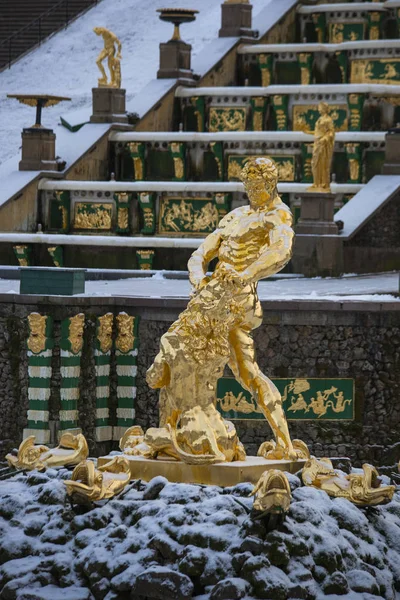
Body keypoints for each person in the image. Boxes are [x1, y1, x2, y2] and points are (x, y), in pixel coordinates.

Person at [308, 102, 335, 192]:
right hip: (317, 143)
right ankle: (316, 182)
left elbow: (331, 132)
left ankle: (323, 183)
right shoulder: (320, 118)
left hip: (323, 144)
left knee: (323, 163)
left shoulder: (328, 120)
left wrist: (325, 138)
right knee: (314, 163)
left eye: (320, 107)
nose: (318, 109)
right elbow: (318, 131)